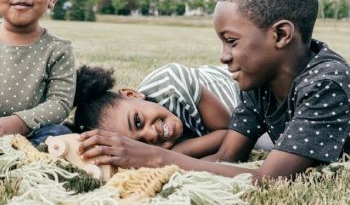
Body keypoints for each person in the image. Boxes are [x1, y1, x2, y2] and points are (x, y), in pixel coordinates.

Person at [78, 0, 350, 183]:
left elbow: (270, 178)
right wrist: (145, 174)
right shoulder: (258, 84)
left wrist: (156, 158)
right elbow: (227, 156)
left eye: (232, 41)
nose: (223, 56)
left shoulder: (326, 84)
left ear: (280, 35)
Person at [73, 62, 251, 157]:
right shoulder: (157, 137)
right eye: (140, 144)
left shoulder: (170, 83)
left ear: (132, 94)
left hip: (246, 86)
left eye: (138, 121)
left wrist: (169, 155)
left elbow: (230, 132)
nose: (150, 135)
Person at [0, 0, 76, 145]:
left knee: (61, 134)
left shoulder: (58, 49)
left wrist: (16, 123)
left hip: (33, 133)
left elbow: (59, 103)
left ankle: (22, 161)